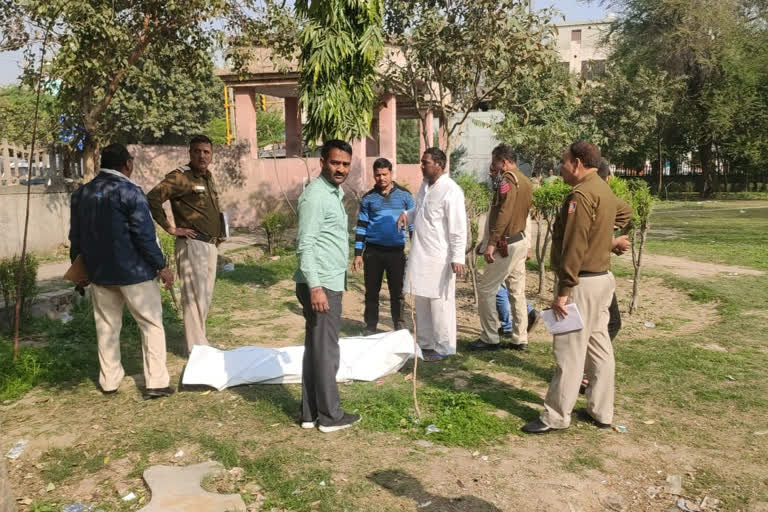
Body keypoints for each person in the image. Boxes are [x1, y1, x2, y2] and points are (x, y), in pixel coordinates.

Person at [522, 141, 632, 434]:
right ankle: (601, 411)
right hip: (602, 280)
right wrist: (605, 241)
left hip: (581, 282)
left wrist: (563, 291)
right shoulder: (604, 189)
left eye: (564, 161)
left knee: (569, 352)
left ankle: (555, 416)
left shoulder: (581, 195)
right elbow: (625, 214)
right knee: (598, 347)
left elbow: (573, 245)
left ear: (578, 163)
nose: (561, 167)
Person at [69, 143, 175, 399]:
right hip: (134, 272)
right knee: (151, 324)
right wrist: (161, 266)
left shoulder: (81, 194)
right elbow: (144, 235)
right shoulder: (130, 192)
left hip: (99, 273)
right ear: (127, 164)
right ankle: (156, 382)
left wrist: (78, 267)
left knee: (106, 326)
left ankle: (109, 381)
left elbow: (76, 236)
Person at [294, 139, 361, 433]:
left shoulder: (333, 192)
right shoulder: (316, 196)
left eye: (345, 164)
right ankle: (331, 416)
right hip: (321, 285)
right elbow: (305, 245)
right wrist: (316, 287)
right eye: (335, 162)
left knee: (316, 349)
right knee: (326, 351)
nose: (340, 169)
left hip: (326, 281)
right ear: (322, 161)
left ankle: (310, 414)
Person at [147, 135, 223, 355]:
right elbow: (152, 198)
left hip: (209, 245)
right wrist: (170, 228)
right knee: (193, 298)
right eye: (197, 151)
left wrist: (221, 232)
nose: (202, 155)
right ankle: (197, 349)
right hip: (192, 245)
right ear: (190, 153)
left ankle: (200, 343)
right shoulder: (181, 177)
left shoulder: (208, 177)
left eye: (206, 152)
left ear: (211, 155)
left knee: (204, 297)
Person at [397, 148, 467, 362]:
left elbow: (458, 227)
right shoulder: (425, 186)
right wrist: (406, 215)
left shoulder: (451, 190)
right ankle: (426, 343)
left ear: (439, 164)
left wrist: (458, 257)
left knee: (440, 304)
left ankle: (444, 347)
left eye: (425, 162)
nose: (421, 166)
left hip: (440, 258)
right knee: (422, 301)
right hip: (420, 255)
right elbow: (420, 211)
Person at [470, 145, 533, 351]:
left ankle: (490, 337)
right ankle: (520, 337)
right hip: (520, 241)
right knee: (517, 290)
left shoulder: (507, 181)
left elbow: (504, 213)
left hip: (506, 244)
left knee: (487, 289)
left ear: (504, 162)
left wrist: (491, 243)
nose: (493, 167)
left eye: (495, 162)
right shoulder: (525, 180)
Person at [353, 158, 415, 333]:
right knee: (371, 292)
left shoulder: (405, 196)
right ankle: (370, 326)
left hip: (396, 253)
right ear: (374, 175)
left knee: (398, 293)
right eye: (377, 175)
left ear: (391, 173)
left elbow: (412, 225)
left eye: (384, 174)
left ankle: (399, 328)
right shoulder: (368, 199)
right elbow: (362, 226)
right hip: (373, 252)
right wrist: (358, 253)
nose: (381, 178)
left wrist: (417, 251)